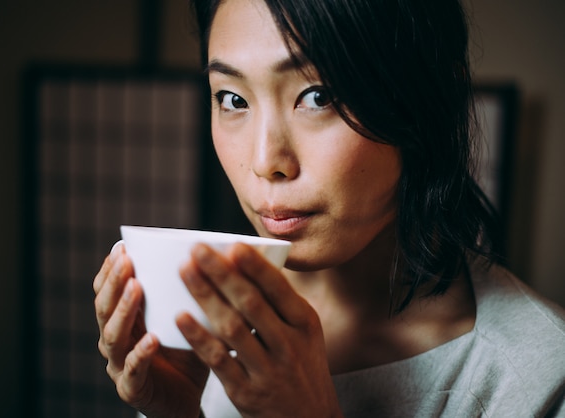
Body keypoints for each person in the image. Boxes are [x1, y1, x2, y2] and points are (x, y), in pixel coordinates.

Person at [93, 0, 565, 416]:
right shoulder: (209, 312)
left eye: (318, 96)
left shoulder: (537, 375)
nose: (264, 162)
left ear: (429, 100)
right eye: (233, 99)